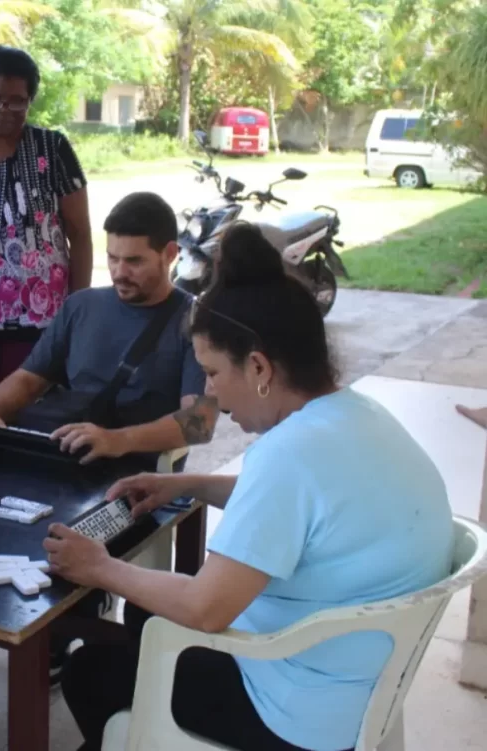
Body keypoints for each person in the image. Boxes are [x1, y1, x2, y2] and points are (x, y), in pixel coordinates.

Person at [49, 223, 454, 751]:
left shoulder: (288, 455)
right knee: (146, 610)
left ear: (259, 367)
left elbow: (206, 608)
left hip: (295, 712)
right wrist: (189, 484)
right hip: (354, 679)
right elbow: (310, 507)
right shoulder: (358, 415)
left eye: (213, 373)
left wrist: (98, 567)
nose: (211, 394)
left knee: (90, 671)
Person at [0, 191, 216, 467]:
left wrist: (117, 440)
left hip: (137, 474)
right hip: (63, 459)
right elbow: (28, 380)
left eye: (134, 261)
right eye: (112, 258)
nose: (119, 272)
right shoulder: (81, 306)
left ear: (170, 254)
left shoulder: (197, 321)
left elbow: (199, 422)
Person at [0, 45, 93, 414]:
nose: (4, 109)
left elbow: (80, 236)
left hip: (41, 327)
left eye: (17, 100)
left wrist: (75, 318)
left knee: (34, 427)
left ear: (30, 100)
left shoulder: (53, 149)